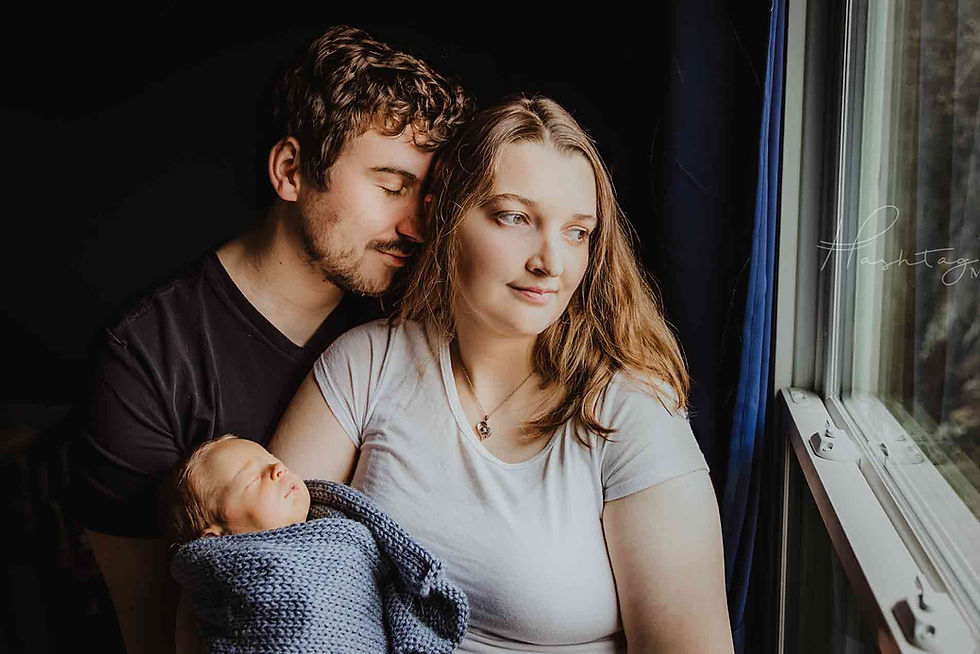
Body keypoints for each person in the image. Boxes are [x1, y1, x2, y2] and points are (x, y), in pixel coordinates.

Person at [270, 95, 735, 652]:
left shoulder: (629, 412)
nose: (551, 263)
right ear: (443, 213)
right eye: (515, 218)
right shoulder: (366, 364)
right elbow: (264, 574)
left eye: (576, 232)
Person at [69, 25, 472, 654]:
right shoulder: (145, 360)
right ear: (290, 171)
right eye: (391, 186)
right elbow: (152, 632)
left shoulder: (416, 319)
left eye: (427, 195)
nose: (416, 223)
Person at [160, 435, 470, 654]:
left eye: (271, 459)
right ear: (216, 542)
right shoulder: (241, 576)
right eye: (252, 479)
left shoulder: (345, 535)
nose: (276, 469)